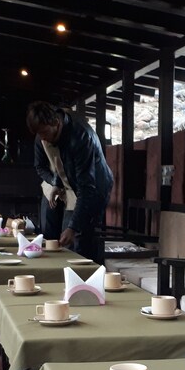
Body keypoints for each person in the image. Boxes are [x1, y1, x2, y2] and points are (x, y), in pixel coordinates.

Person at [27, 102, 113, 261]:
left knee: (80, 242)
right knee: (60, 237)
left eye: (44, 133)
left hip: (95, 186)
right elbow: (50, 165)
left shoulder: (80, 137)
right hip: (70, 186)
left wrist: (72, 227)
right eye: (39, 134)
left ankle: (89, 275)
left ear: (56, 123)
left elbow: (86, 187)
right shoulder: (44, 135)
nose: (42, 139)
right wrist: (55, 182)